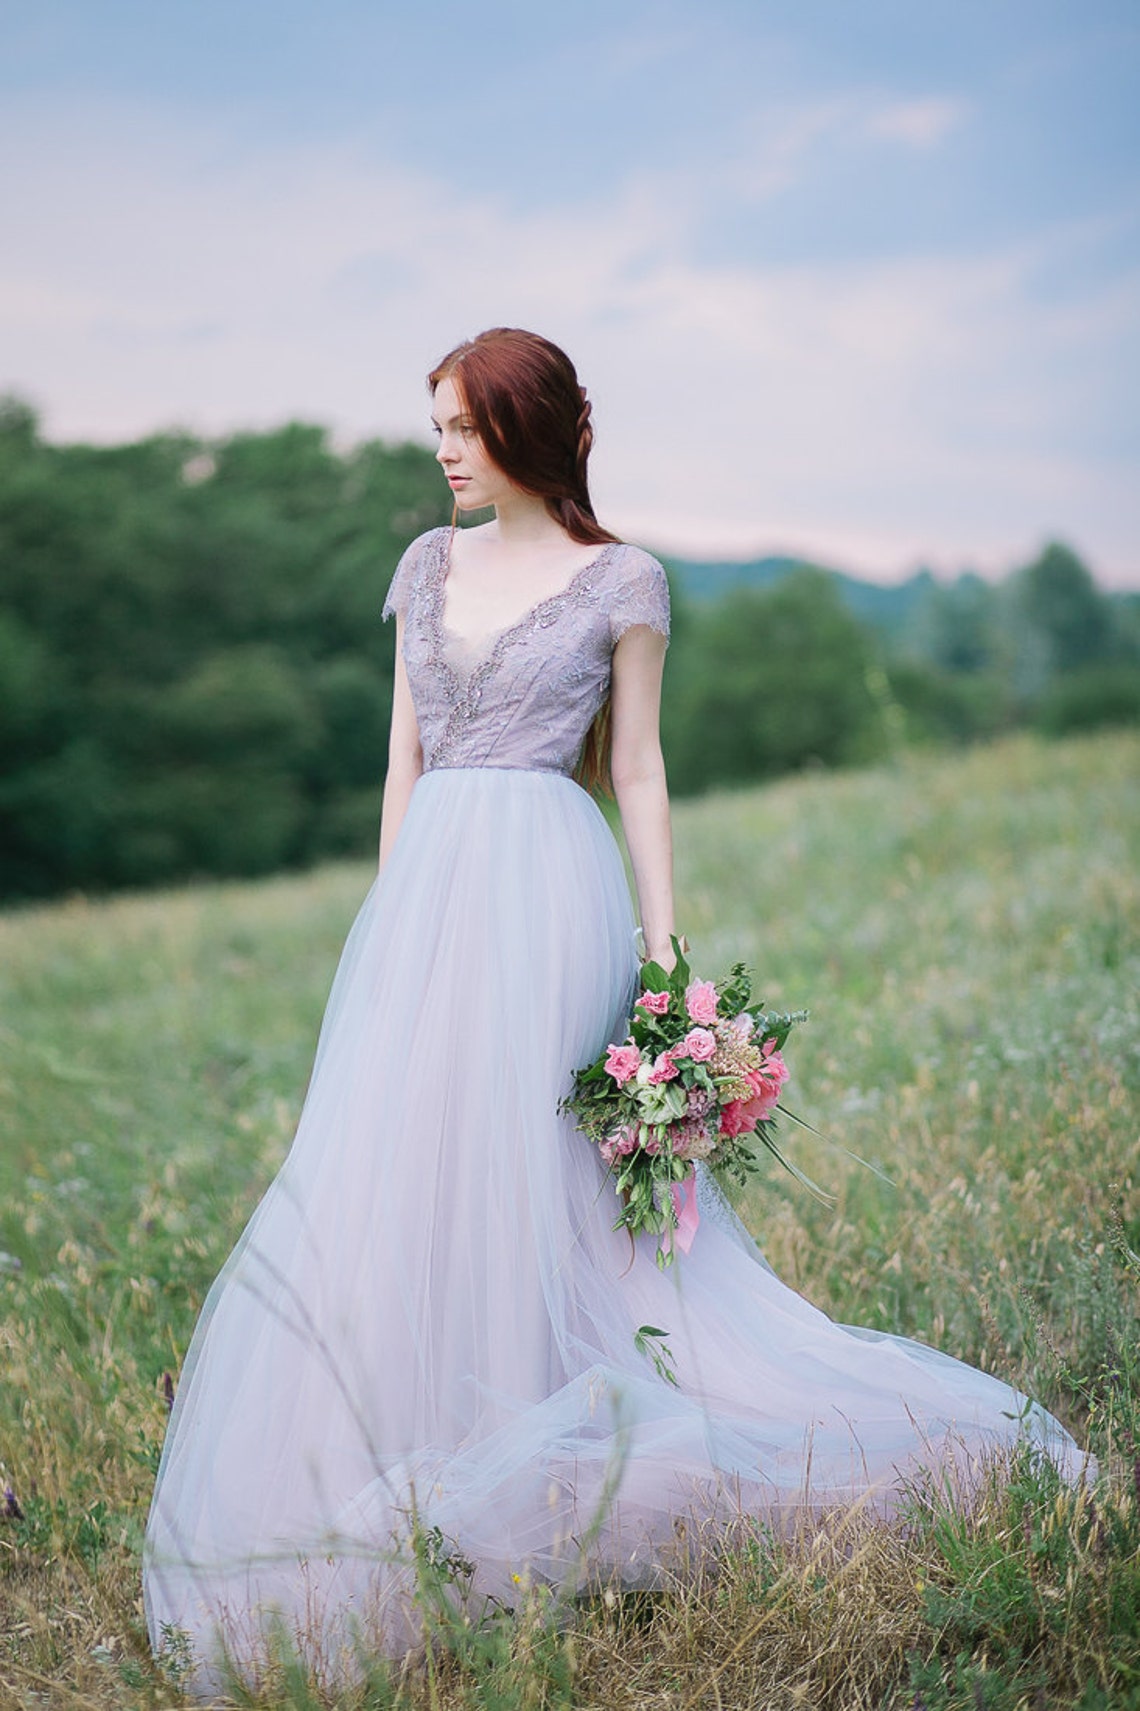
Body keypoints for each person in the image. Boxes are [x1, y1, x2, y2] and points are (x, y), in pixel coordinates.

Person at [143, 328, 1085, 1695]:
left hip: (553, 890)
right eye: (438, 432)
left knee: (552, 1166)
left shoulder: (621, 579)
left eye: (464, 429)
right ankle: (413, 1425)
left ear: (529, 432)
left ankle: (565, 1423)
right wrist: (395, 921)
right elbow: (402, 764)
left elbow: (636, 770)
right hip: (435, 899)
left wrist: (663, 971)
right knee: (406, 1159)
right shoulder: (425, 566)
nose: (447, 454)